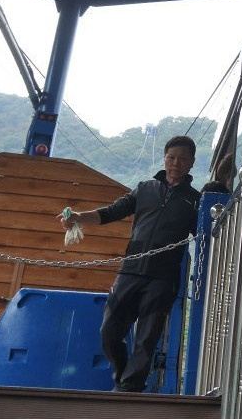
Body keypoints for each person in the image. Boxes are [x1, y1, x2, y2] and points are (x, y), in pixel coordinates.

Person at [58, 135, 200, 392]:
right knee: (109, 332)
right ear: (164, 159)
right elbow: (112, 211)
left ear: (191, 163)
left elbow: (206, 236)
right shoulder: (145, 188)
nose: (175, 163)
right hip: (130, 271)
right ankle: (124, 375)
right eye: (171, 157)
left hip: (162, 278)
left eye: (182, 159)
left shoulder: (194, 200)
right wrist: (78, 217)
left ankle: (129, 388)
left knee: (146, 340)